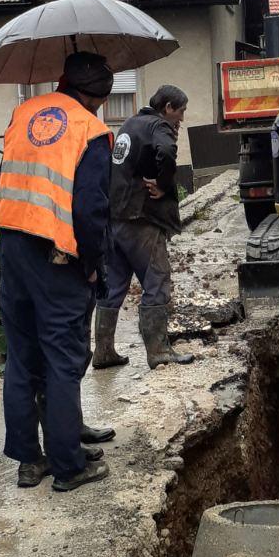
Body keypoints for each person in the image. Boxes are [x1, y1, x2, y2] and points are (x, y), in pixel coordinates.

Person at [0, 50, 113, 492]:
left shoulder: (21, 114)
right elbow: (91, 210)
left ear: (62, 82)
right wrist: (93, 265)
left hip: (12, 245)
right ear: (98, 97)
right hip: (57, 254)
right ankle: (68, 466)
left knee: (23, 358)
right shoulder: (91, 130)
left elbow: (5, 182)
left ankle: (30, 461)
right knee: (64, 359)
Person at [93, 84, 193, 371]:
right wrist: (162, 185)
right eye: (181, 111)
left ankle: (103, 352)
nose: (181, 119)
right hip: (142, 219)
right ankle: (159, 350)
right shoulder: (157, 125)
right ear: (168, 108)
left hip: (116, 218)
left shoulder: (129, 124)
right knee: (157, 280)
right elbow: (166, 151)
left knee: (113, 285)